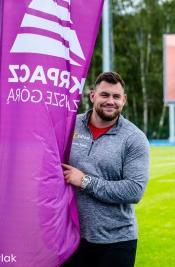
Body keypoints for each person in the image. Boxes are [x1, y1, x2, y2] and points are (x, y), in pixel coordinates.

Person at [61, 72, 150, 267]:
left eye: (116, 96)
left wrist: (85, 181)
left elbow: (134, 190)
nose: (110, 101)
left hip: (117, 242)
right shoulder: (69, 127)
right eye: (105, 95)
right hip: (70, 236)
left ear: (124, 100)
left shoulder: (134, 138)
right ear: (92, 96)